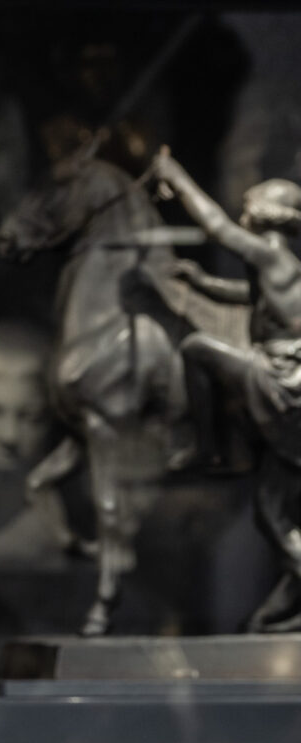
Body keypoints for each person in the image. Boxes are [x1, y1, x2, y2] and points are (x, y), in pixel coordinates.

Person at [151, 148, 301, 631]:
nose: (243, 208)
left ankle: (208, 446)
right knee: (271, 512)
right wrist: (204, 281)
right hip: (283, 373)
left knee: (196, 348)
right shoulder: (280, 266)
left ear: (269, 214)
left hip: (281, 376)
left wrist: (175, 175)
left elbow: (215, 227)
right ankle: (274, 615)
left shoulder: (272, 253)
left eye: (251, 202)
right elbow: (256, 301)